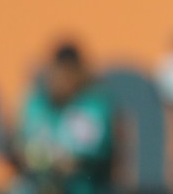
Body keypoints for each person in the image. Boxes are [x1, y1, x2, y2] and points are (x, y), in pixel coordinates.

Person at [10, 42, 115, 194]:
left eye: (66, 73)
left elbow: (83, 160)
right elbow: (18, 146)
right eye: (55, 72)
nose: (58, 79)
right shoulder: (37, 103)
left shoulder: (94, 106)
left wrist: (51, 159)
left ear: (78, 73)